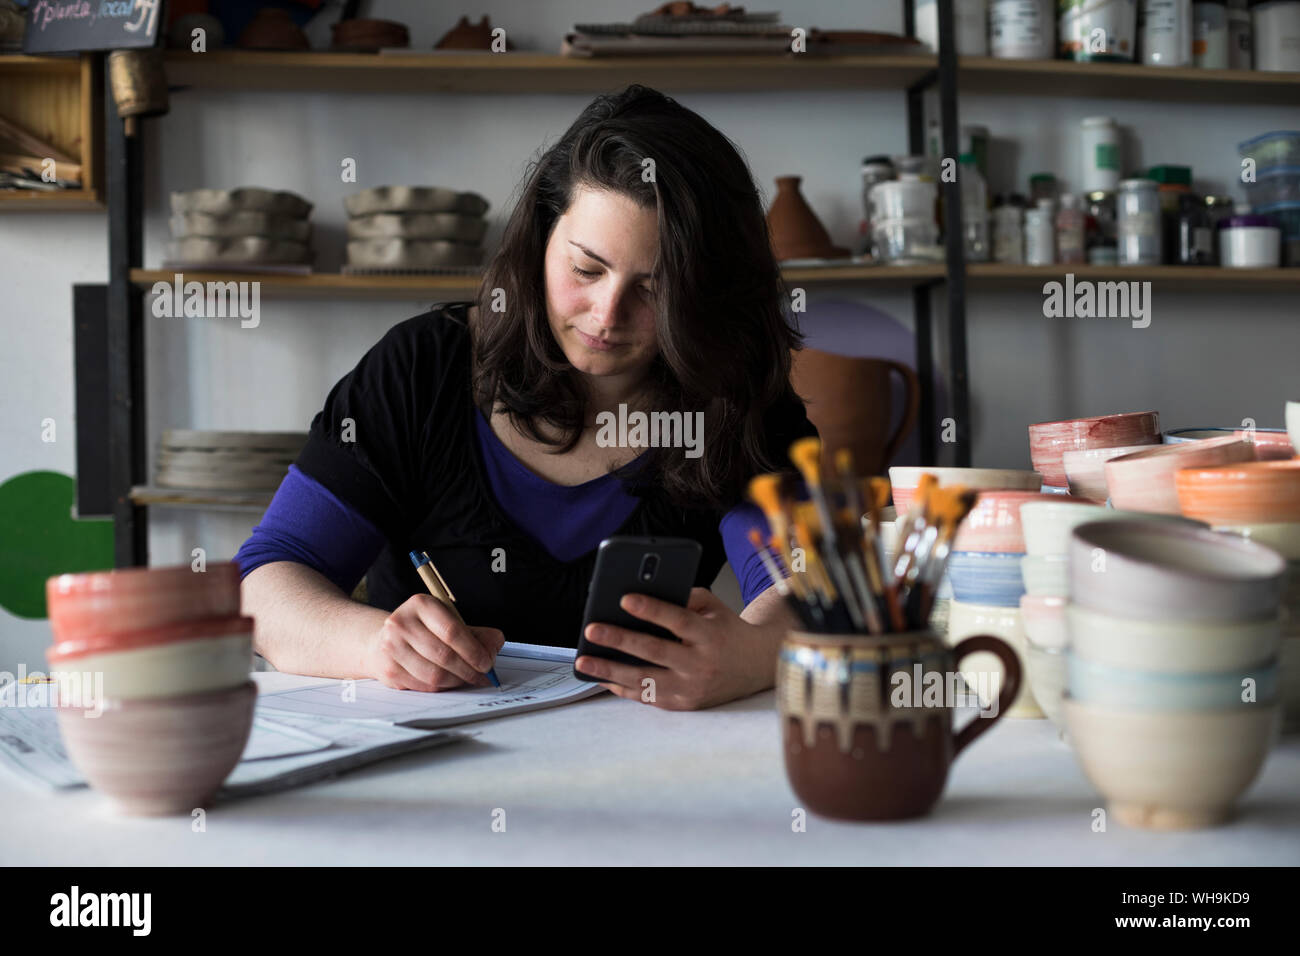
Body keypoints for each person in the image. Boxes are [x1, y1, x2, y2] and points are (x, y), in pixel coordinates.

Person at [236, 84, 817, 710]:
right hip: (435, 762)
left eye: (655, 290)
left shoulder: (731, 398)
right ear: (542, 237)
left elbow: (817, 588)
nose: (606, 314)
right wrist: (373, 643)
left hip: (638, 767)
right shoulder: (422, 370)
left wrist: (756, 655)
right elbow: (263, 582)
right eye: (587, 269)